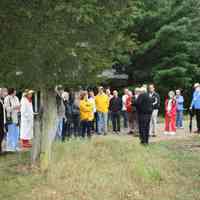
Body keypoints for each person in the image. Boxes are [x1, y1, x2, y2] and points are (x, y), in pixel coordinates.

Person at [0, 89, 6, 154]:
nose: (2, 93)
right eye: (1, 92)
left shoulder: (1, 101)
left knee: (2, 135)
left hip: (2, 121)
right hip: (1, 122)